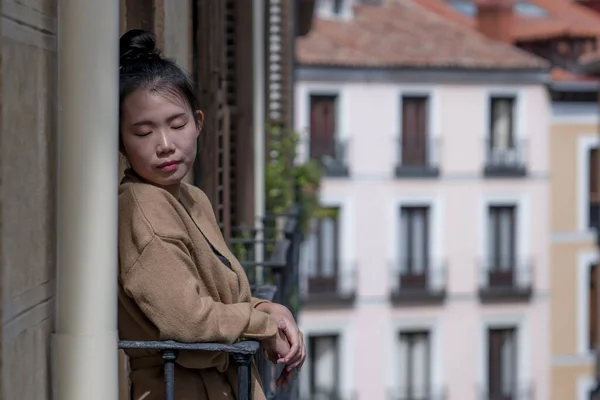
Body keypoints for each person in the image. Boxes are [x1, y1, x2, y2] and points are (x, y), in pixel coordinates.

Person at [117, 29, 305, 400]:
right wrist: (262, 325)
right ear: (120, 140)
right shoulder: (142, 209)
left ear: (198, 123)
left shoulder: (192, 198)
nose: (166, 145)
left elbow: (214, 297)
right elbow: (189, 320)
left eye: (177, 125)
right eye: (143, 132)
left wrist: (267, 307)